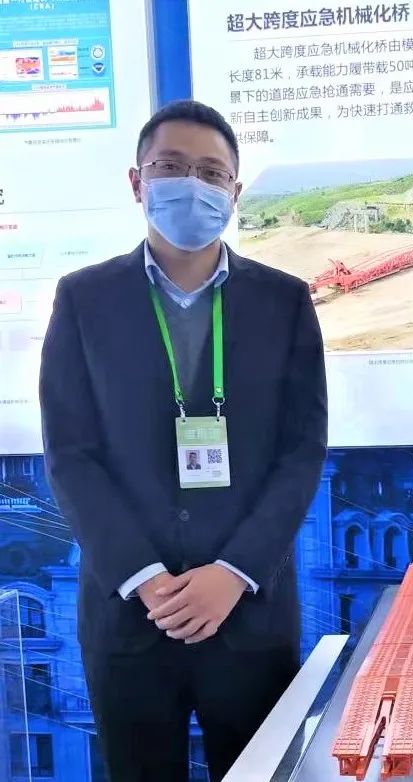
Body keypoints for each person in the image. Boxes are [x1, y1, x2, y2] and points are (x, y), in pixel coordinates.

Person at [39, 100, 327, 781]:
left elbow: (300, 452)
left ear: (234, 190)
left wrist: (233, 573)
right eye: (170, 166)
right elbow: (71, 455)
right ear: (137, 182)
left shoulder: (284, 301)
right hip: (129, 619)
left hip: (248, 616)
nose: (191, 185)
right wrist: (145, 579)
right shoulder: (84, 299)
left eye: (210, 172)